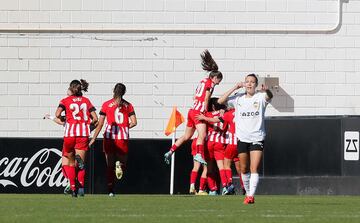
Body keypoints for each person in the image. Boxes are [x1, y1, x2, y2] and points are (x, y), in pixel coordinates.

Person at [218, 74, 273, 204]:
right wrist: (234, 87)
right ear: (244, 83)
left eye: (252, 82)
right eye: (247, 81)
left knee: (254, 168)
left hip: (257, 138)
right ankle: (248, 194)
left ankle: (251, 196)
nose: (249, 84)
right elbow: (220, 101)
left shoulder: (260, 97)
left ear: (256, 84)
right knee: (243, 169)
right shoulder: (238, 99)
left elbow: (270, 96)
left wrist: (267, 90)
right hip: (242, 138)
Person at [164, 50, 223, 166]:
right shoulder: (210, 84)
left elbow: (195, 96)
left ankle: (170, 151)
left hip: (191, 111)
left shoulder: (202, 81)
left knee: (187, 136)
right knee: (202, 135)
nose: (218, 83)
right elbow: (206, 98)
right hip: (198, 112)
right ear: (215, 78)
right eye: (219, 81)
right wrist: (205, 112)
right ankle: (199, 154)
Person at [89, 83, 137, 197]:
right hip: (122, 137)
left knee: (109, 166)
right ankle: (119, 165)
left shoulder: (106, 105)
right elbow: (134, 122)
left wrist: (93, 138)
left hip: (109, 136)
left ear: (113, 91)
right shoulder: (128, 105)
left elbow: (100, 124)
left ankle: (110, 190)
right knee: (123, 163)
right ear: (124, 92)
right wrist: (124, 127)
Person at [55, 79, 98, 197]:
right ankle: (81, 190)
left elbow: (57, 114)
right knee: (81, 163)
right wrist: (88, 126)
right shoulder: (86, 101)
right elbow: (95, 118)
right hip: (83, 135)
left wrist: (65, 118)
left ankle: (73, 188)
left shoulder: (65, 100)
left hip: (70, 134)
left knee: (69, 162)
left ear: (71, 88)